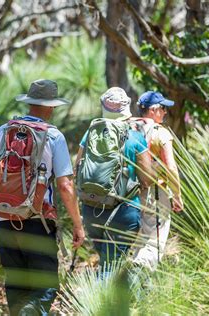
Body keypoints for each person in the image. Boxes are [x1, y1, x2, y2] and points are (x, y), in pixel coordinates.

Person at [0, 79, 85, 315]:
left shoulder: (4, 131)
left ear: (30, 103)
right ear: (50, 107)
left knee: (16, 283)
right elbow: (65, 185)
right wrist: (78, 225)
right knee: (46, 286)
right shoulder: (53, 136)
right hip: (37, 219)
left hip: (3, 217)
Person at [75, 87, 152, 275]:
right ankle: (107, 303)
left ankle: (107, 299)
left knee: (106, 262)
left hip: (92, 206)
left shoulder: (90, 134)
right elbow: (148, 179)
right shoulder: (135, 138)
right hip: (124, 211)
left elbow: (77, 167)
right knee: (113, 266)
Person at [131, 91, 183, 271]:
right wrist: (176, 194)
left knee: (141, 239)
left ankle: (137, 288)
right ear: (153, 110)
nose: (165, 112)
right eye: (162, 108)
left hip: (131, 192)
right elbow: (170, 167)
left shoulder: (130, 129)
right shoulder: (160, 133)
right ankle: (137, 277)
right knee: (155, 241)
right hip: (155, 193)